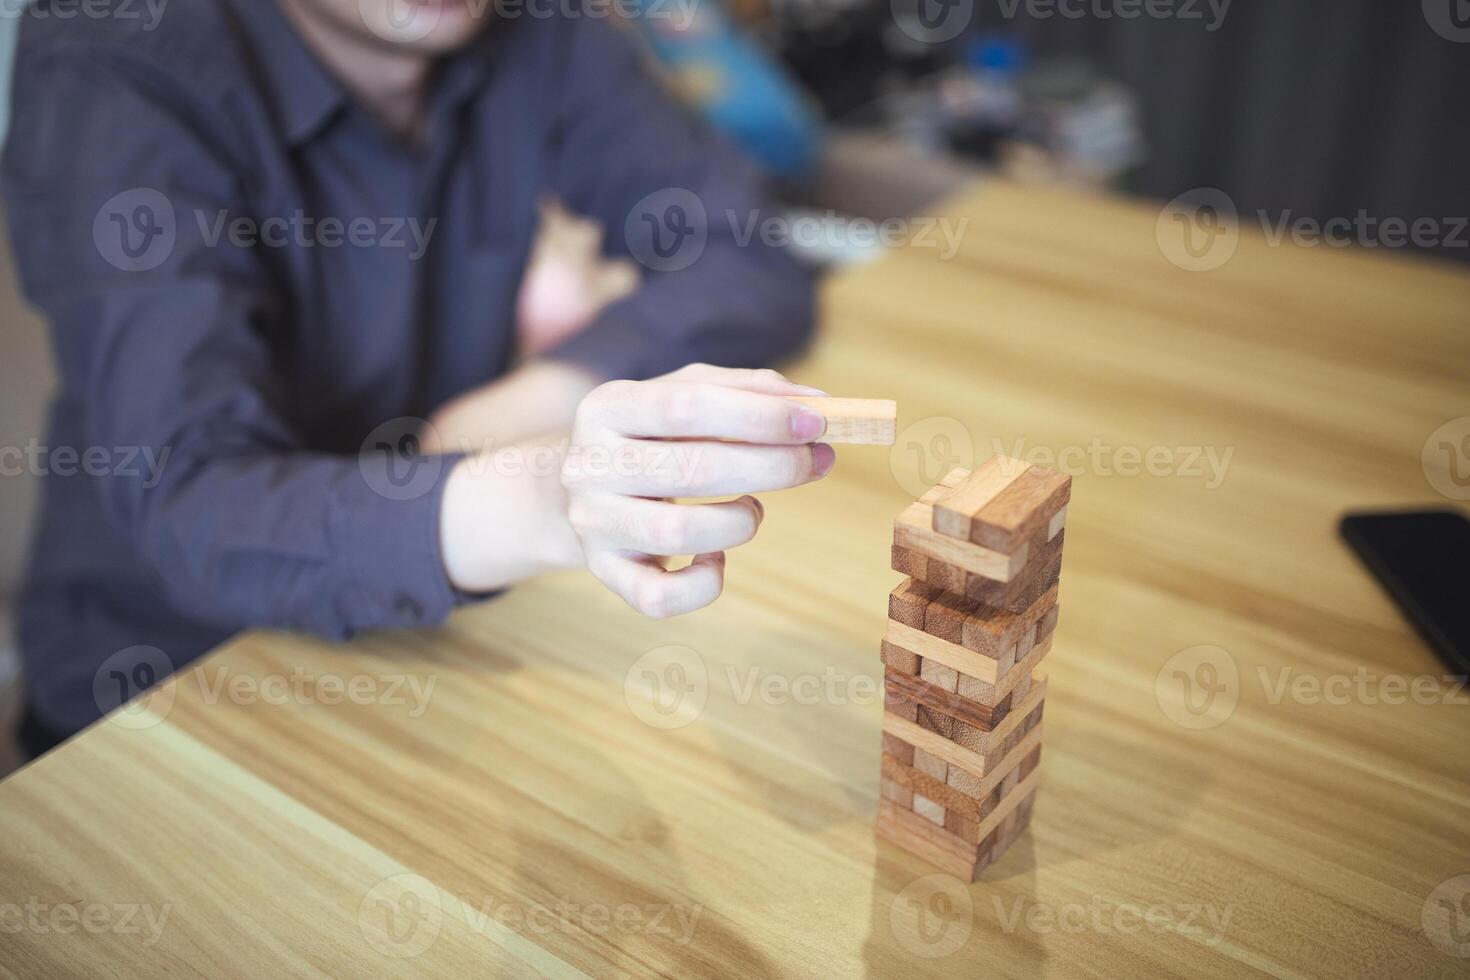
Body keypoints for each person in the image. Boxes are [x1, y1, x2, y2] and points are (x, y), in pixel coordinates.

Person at [1, 0, 824, 756]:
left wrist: (551, 390)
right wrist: (539, 496)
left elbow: (744, 250)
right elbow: (190, 499)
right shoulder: (114, 54)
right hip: (168, 692)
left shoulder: (540, 29)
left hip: (437, 646)